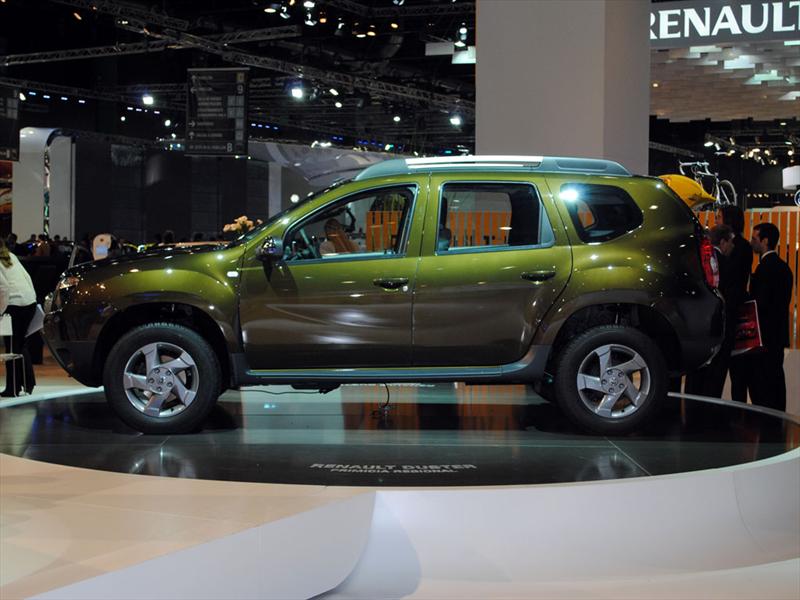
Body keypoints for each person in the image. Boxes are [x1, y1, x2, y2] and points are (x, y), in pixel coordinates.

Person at [745, 222, 793, 411]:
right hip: (778, 333)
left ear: (765, 241)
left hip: (764, 335)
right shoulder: (784, 268)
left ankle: (765, 418)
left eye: (755, 239)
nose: (752, 243)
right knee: (776, 377)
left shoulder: (764, 269)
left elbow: (760, 303)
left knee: (762, 380)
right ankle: (778, 417)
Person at [684, 224, 736, 397]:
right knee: (715, 377)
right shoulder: (724, 263)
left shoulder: (695, 261)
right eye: (731, 242)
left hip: (697, 326)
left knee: (696, 375)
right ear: (723, 242)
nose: (733, 246)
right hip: (718, 327)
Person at [718, 206, 754, 403]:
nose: (716, 220)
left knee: (737, 369)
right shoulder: (735, 244)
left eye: (719, 217)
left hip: (735, 312)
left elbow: (734, 279)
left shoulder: (741, 246)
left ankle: (738, 411)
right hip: (728, 310)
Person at [0, 238, 37, 396]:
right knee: (20, 345)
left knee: (11, 348)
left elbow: (4, 288)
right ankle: (28, 383)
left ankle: (12, 388)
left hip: (14, 305)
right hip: (29, 302)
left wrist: (1, 311)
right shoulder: (11, 256)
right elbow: (27, 278)